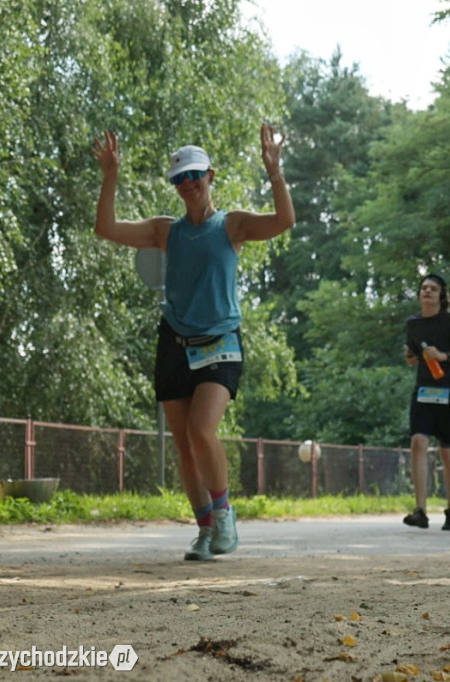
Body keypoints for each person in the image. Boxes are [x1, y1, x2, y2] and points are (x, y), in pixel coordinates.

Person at [91, 126, 295, 560]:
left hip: (220, 342)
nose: (188, 184)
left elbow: (283, 222)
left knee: (203, 431)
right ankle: (205, 529)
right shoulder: (166, 231)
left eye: (195, 176)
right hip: (175, 344)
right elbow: (106, 228)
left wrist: (275, 173)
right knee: (184, 444)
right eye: (179, 179)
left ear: (210, 176)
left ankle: (223, 516)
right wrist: (111, 175)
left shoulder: (233, 225)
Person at [402, 274, 450, 531]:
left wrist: (444, 356)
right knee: (418, 442)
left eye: (433, 289)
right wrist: (411, 358)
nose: (427, 291)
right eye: (423, 287)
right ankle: (421, 511)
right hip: (423, 391)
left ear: (441, 296)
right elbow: (414, 356)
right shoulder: (412, 324)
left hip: (449, 392)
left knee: (447, 451)